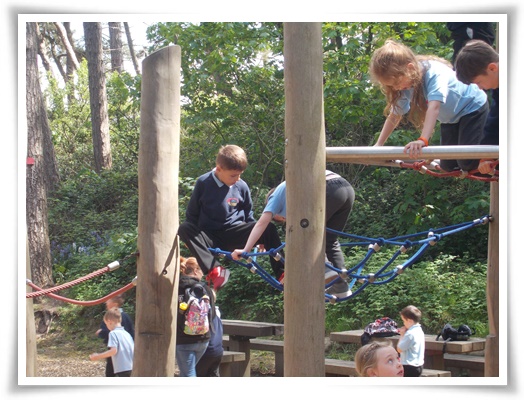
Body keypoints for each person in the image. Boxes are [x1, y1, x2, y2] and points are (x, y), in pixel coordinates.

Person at [231, 170, 355, 298]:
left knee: (302, 235)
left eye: (281, 216)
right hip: (346, 189)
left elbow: (262, 223)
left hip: (328, 188)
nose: (285, 218)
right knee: (330, 241)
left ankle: (327, 269)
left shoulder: (275, 197)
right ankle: (341, 286)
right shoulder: (294, 193)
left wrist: (246, 249)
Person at [370, 39, 489, 172]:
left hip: (472, 107)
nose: (396, 88)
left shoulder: (434, 73)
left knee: (468, 162)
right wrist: (378, 145)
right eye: (391, 86)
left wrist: (423, 140)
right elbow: (394, 115)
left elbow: (434, 107)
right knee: (448, 166)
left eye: (397, 83)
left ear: (410, 68)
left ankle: (494, 159)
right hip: (450, 119)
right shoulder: (404, 85)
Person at [178, 144, 285, 290]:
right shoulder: (203, 183)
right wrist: (192, 240)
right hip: (210, 237)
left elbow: (248, 216)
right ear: (219, 169)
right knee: (184, 228)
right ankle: (215, 270)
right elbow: (192, 215)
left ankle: (282, 272)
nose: (237, 178)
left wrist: (259, 237)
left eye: (240, 174)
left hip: (235, 234)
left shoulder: (241, 186)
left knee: (268, 227)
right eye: (233, 175)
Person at [454, 39, 499, 174]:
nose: (480, 88)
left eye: (479, 82)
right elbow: (495, 120)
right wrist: (486, 155)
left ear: (492, 68)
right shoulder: (498, 87)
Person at [176, 256, 215, 377]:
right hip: (203, 338)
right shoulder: (205, 289)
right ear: (195, 270)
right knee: (188, 372)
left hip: (183, 338)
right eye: (201, 270)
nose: (203, 273)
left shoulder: (176, 288)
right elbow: (212, 314)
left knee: (188, 374)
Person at [95, 294, 135, 377]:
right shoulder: (126, 325)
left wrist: (98, 356)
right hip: (129, 363)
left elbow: (113, 350)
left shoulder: (113, 330)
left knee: (110, 374)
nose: (106, 302)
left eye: (108, 300)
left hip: (118, 358)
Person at [196, 289, 224, 377]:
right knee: (213, 374)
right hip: (218, 350)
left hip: (206, 351)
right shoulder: (217, 311)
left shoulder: (203, 313)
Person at [397, 305, 425, 377]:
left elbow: (399, 349)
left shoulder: (410, 334)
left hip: (409, 366)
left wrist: (402, 335)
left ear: (410, 321)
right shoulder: (419, 330)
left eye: (404, 321)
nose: (403, 323)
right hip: (419, 365)